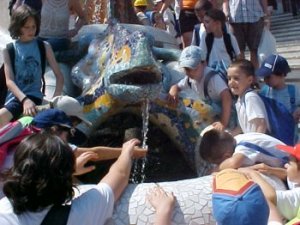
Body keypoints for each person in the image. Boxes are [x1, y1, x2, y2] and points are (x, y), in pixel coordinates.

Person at [0, 132, 143, 224]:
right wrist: (126, 152)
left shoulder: (3, 212)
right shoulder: (82, 212)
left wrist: (68, 172)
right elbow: (120, 175)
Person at [0, 5, 64, 128]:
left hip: (35, 96)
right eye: (27, 27)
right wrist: (24, 100)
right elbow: (9, 81)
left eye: (33, 27)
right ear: (18, 27)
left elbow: (59, 76)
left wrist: (55, 99)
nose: (31, 30)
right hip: (16, 99)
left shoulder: (44, 46)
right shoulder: (9, 50)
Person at [168, 46, 233, 130]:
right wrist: (173, 91)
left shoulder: (213, 78)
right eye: (187, 69)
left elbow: (226, 97)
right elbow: (177, 86)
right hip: (213, 111)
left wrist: (223, 122)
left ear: (204, 63)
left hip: (228, 113)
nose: (190, 72)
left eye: (193, 68)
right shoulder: (190, 79)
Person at [199, 128, 290, 175]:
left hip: (291, 164)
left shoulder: (243, 146)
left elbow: (234, 163)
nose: (218, 165)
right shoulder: (236, 140)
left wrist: (215, 170)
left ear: (226, 156)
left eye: (218, 163)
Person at [257, 54, 300, 142]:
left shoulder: (294, 91)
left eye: (268, 77)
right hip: (271, 136)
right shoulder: (264, 91)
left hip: (290, 136)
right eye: (264, 77)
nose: (265, 80)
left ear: (282, 74)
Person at [227, 59, 269, 135]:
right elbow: (241, 127)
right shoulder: (240, 99)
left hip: (258, 143)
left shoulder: (250, 97)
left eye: (236, 78)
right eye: (229, 78)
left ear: (249, 80)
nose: (231, 82)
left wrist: (254, 145)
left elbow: (261, 124)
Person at [223, 0, 269, 68]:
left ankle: (254, 76)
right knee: (238, 51)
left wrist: (266, 15)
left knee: (254, 50)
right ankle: (242, 76)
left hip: (255, 16)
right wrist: (225, 12)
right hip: (235, 18)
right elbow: (225, 1)